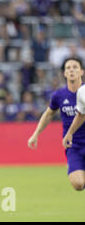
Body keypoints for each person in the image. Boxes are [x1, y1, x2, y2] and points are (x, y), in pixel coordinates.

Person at [28, 57, 84, 191]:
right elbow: (48, 114)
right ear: (64, 73)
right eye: (68, 68)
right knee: (78, 184)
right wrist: (35, 134)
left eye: (75, 67)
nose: (71, 70)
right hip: (73, 145)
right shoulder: (59, 95)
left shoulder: (84, 92)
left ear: (82, 72)